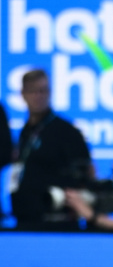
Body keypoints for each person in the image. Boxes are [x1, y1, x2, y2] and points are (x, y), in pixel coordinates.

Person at [10, 69, 93, 229]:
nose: (38, 96)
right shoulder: (26, 131)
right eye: (33, 91)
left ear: (50, 92)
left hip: (58, 221)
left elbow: (87, 173)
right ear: (23, 94)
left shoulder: (67, 131)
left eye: (43, 91)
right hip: (26, 217)